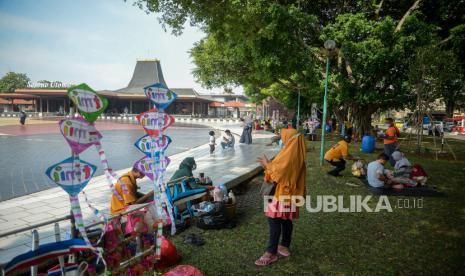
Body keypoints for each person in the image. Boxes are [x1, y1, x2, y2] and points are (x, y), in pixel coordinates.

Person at [255, 129, 307, 266]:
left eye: (283, 137)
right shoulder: (295, 151)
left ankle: (270, 253)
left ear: (289, 139)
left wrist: (267, 165)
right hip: (290, 194)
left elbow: (279, 174)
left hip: (282, 194)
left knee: (274, 221)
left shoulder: (289, 154)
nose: (282, 139)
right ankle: (284, 245)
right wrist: (269, 166)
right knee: (285, 220)